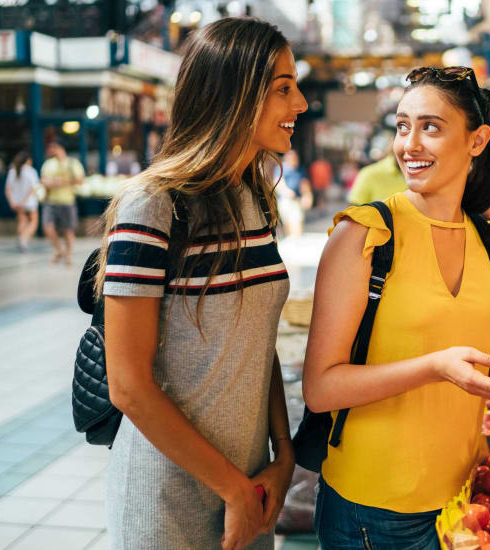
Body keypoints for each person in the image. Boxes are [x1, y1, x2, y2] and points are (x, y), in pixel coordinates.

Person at [303, 66, 490, 549]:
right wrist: (435, 368)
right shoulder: (365, 234)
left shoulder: (488, 241)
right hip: (374, 505)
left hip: (462, 495)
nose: (410, 144)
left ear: (477, 141)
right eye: (403, 126)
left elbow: (447, 351)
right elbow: (320, 388)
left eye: (431, 127)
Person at [93, 17, 306, 550]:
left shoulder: (255, 198)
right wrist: (232, 488)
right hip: (165, 501)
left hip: (250, 486)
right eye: (283, 89)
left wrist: (283, 456)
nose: (300, 104)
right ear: (234, 96)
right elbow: (129, 386)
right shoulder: (153, 205)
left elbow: (257, 344)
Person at [40, 141, 84, 264]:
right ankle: (59, 250)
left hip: (67, 201)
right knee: (47, 227)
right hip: (50, 201)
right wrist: (56, 183)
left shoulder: (72, 163)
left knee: (68, 230)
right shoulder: (48, 164)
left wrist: (61, 182)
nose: (52, 150)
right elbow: (44, 180)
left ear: (61, 148)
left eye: (54, 147)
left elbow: (80, 180)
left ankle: (68, 255)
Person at [4, 151, 40, 252]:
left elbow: (8, 189)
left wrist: (11, 202)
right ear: (28, 160)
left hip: (17, 202)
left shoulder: (12, 171)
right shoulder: (31, 171)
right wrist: (24, 201)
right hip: (29, 202)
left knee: (22, 221)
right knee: (33, 222)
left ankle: (21, 239)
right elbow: (33, 188)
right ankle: (23, 239)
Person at [275, 150, 309, 237]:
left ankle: (296, 240)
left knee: (297, 221)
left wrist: (307, 196)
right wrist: (287, 192)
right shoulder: (281, 168)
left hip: (297, 200)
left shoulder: (300, 169)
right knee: (288, 223)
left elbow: (304, 183)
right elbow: (278, 183)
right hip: (286, 200)